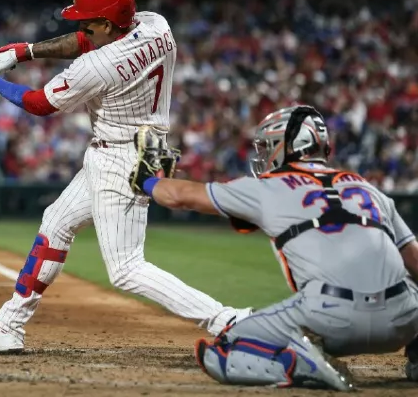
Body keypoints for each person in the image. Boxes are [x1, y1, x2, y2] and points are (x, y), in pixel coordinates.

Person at [0, 0, 252, 354]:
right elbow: (87, 40)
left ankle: (228, 320)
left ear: (109, 24)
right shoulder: (155, 24)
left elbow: (40, 104)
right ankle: (8, 325)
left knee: (126, 268)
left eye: (88, 22)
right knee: (55, 223)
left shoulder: (98, 65)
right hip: (143, 144)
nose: (81, 28)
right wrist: (26, 51)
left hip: (122, 157)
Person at [127, 105, 418, 391]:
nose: (264, 155)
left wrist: (148, 180)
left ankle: (299, 364)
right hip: (404, 320)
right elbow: (414, 262)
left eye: (269, 146)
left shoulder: (268, 186)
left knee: (223, 350)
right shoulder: (368, 188)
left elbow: (182, 197)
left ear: (287, 146)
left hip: (331, 317)